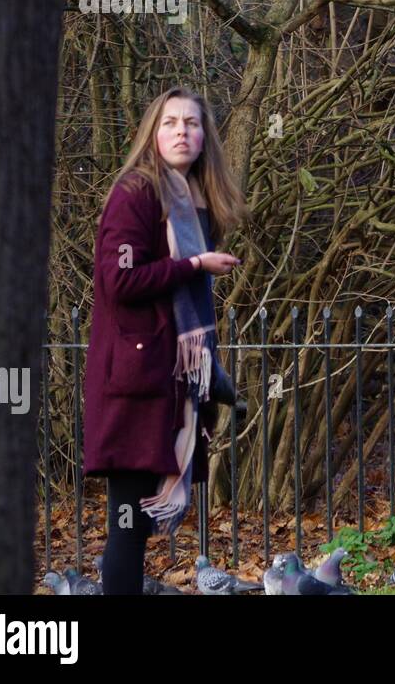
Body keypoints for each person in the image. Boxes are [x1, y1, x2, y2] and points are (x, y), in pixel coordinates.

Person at [83, 88, 247, 594]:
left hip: (168, 383)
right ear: (153, 132)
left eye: (193, 124)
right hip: (135, 384)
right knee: (128, 522)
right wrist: (194, 265)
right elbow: (119, 280)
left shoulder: (193, 199)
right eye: (171, 122)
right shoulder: (136, 191)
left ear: (205, 137)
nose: (182, 131)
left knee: (134, 527)